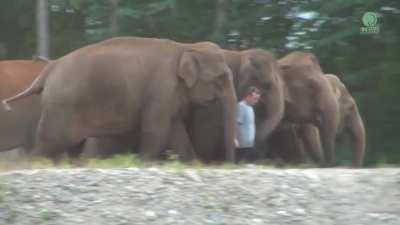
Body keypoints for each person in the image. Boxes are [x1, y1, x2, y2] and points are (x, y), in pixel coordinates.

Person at [235, 86, 261, 163]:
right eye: (255, 98)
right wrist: (235, 139)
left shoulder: (250, 108)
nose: (256, 101)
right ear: (248, 96)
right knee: (241, 163)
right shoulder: (241, 106)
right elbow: (237, 123)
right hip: (242, 144)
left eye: (257, 99)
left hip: (249, 143)